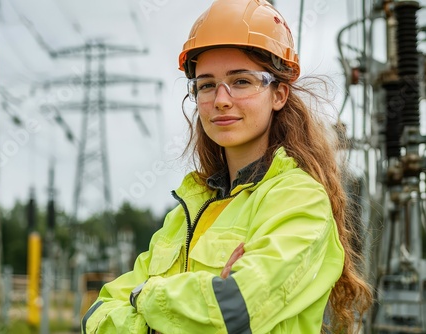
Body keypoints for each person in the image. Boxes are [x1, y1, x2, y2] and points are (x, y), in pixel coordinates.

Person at [82, 0, 373, 333]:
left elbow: (232, 311)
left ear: (278, 94)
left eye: (241, 81)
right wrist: (179, 310)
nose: (220, 99)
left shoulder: (299, 200)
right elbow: (95, 315)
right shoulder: (187, 211)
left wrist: (143, 297)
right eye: (206, 85)